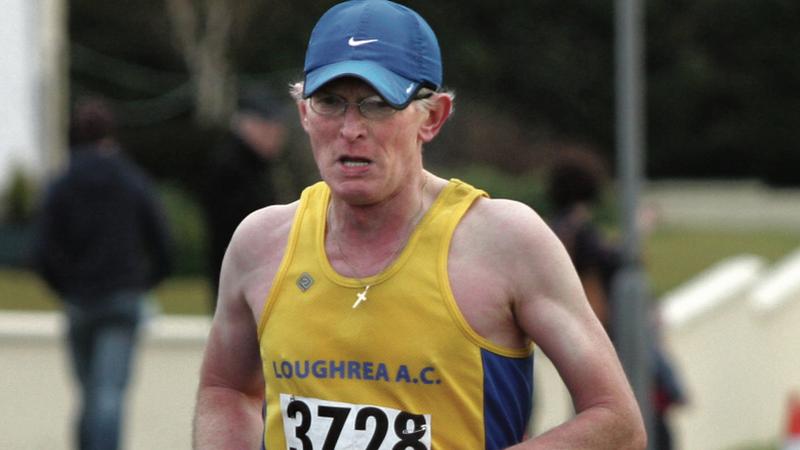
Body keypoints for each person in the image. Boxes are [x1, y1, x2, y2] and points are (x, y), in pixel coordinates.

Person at [193, 1, 646, 449]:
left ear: (432, 117)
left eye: (376, 104)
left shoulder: (504, 241)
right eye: (330, 102)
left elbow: (617, 423)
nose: (351, 128)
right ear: (304, 114)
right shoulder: (261, 243)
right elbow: (226, 391)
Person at [32, 96, 173, 450]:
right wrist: (144, 283)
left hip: (80, 300)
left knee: (89, 394)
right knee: (108, 395)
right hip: (123, 297)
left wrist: (65, 286)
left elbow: (42, 248)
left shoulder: (62, 182)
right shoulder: (131, 179)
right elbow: (163, 241)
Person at [545, 148, 685, 450]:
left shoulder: (555, 228)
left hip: (576, 333)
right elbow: (621, 261)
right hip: (607, 331)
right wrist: (641, 228)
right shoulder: (579, 230)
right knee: (639, 407)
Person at [200, 89, 288, 312]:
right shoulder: (232, 168)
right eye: (270, 127)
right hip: (241, 275)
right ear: (249, 126)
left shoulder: (258, 167)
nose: (278, 136)